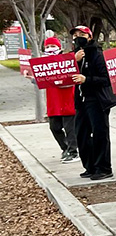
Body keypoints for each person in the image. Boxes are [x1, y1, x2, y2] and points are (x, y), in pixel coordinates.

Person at [70, 25, 116, 180]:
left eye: (81, 34)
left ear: (90, 37)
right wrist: (74, 61)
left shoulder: (97, 54)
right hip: (81, 100)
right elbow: (65, 75)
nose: (78, 37)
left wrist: (87, 79)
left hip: (96, 100)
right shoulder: (73, 56)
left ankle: (103, 167)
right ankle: (90, 166)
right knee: (81, 134)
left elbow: (106, 79)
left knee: (99, 133)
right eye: (75, 34)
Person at [41, 35, 78, 163]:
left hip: (67, 98)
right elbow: (41, 81)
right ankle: (65, 148)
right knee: (54, 127)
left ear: (59, 47)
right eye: (47, 47)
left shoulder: (66, 60)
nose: (50, 49)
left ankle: (73, 151)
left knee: (70, 128)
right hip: (53, 101)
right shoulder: (43, 63)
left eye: (53, 46)